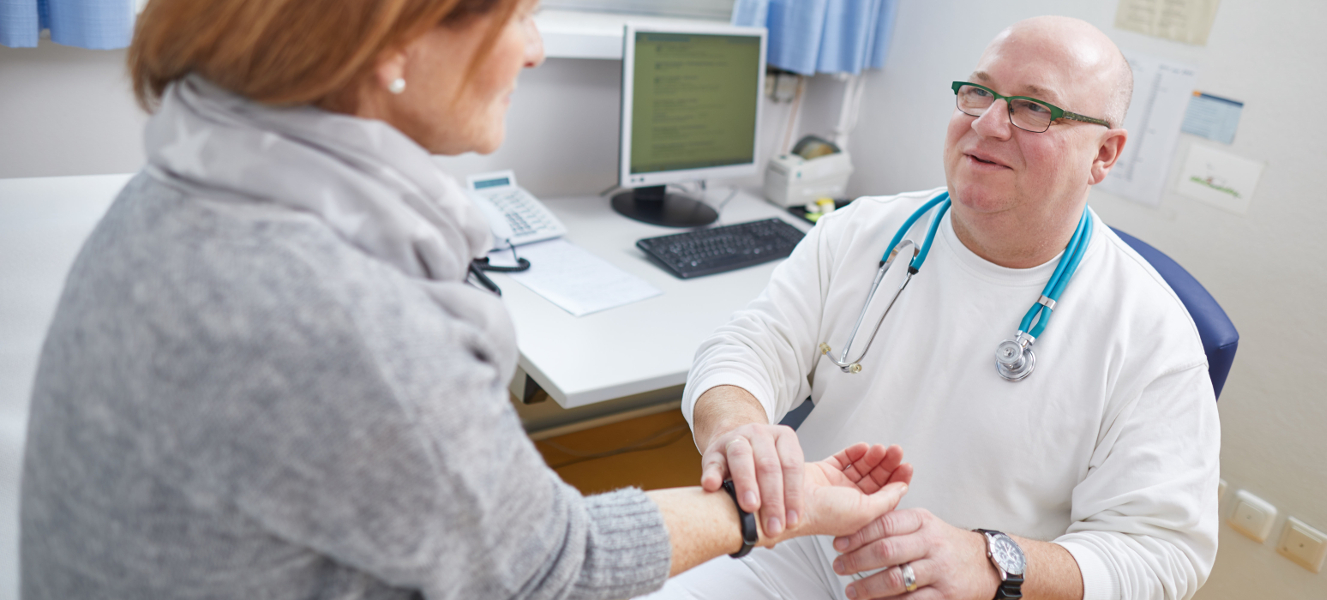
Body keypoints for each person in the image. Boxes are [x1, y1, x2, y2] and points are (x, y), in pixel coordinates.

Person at [18, 0, 915, 598]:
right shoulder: (348, 316)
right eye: (516, 11)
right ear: (393, 41)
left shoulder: (186, 181)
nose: (535, 44)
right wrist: (761, 512)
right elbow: (550, 565)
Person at [646, 15, 1222, 600]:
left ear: (1104, 153)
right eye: (978, 93)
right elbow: (744, 348)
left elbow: (1163, 551)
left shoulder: (1152, 334)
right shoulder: (860, 232)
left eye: (1033, 109)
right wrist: (739, 428)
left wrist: (994, 561)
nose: (989, 123)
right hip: (797, 550)